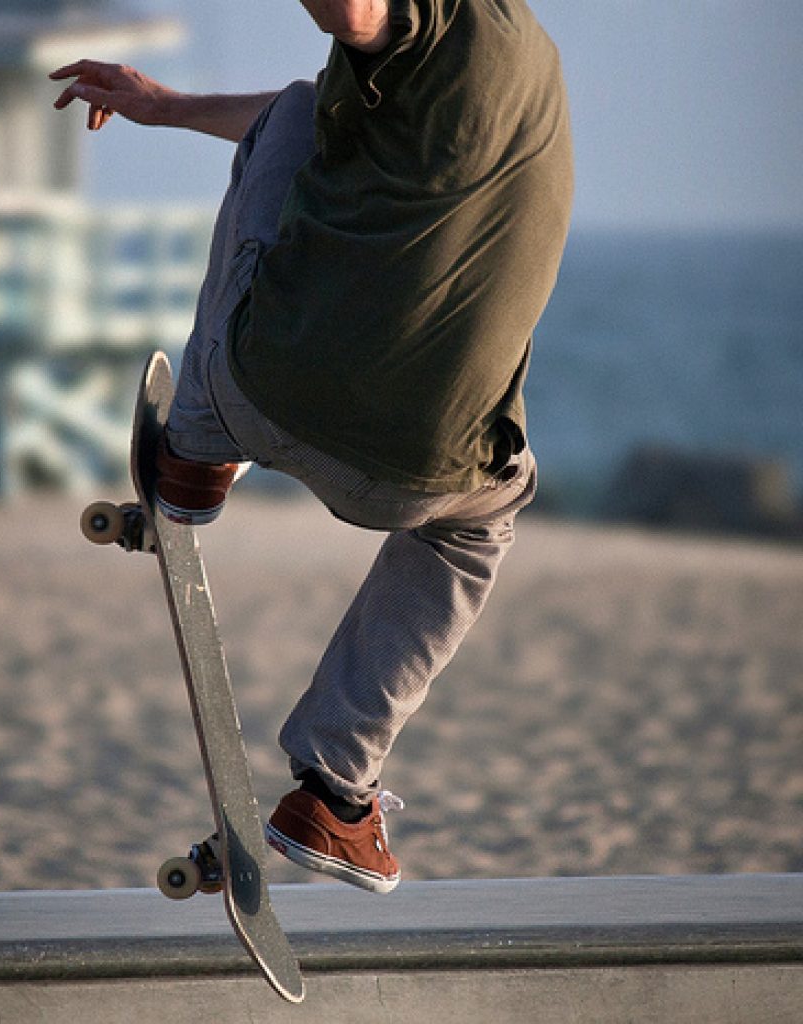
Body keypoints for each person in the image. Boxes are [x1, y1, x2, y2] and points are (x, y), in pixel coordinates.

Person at [51, 0, 573, 894]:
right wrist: (168, 105)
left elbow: (355, 13)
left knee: (292, 115)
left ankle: (197, 451)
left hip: (265, 396)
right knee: (480, 527)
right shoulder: (514, 63)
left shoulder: (449, 16)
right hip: (434, 473)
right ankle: (337, 789)